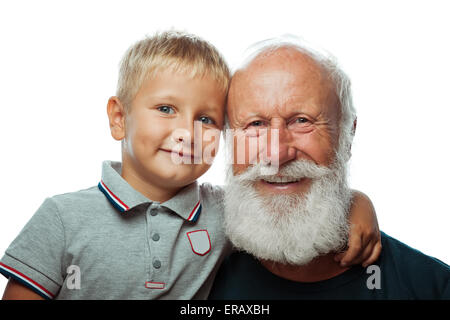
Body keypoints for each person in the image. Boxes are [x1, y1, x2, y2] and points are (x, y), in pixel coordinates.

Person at [0, 31, 380, 300]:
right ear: (118, 117)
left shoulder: (224, 213)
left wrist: (357, 203)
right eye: (166, 109)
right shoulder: (62, 217)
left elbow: (289, 202)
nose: (187, 132)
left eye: (207, 119)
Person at [208, 36, 450, 300]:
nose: (276, 153)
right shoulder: (195, 277)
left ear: (347, 136)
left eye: (302, 121)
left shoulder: (432, 287)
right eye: (255, 124)